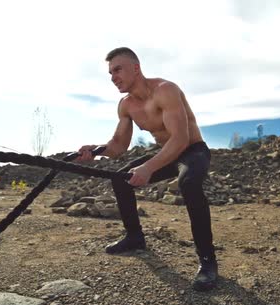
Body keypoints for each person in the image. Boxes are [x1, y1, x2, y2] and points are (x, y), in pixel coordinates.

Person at [77, 47, 217, 291]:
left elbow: (181, 139)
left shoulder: (165, 90)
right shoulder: (126, 105)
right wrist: (95, 151)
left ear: (136, 68)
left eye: (118, 70)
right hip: (166, 154)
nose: (113, 77)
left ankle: (208, 261)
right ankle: (135, 237)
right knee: (120, 179)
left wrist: (148, 168)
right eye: (110, 73)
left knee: (189, 183)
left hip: (193, 151)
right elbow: (118, 146)